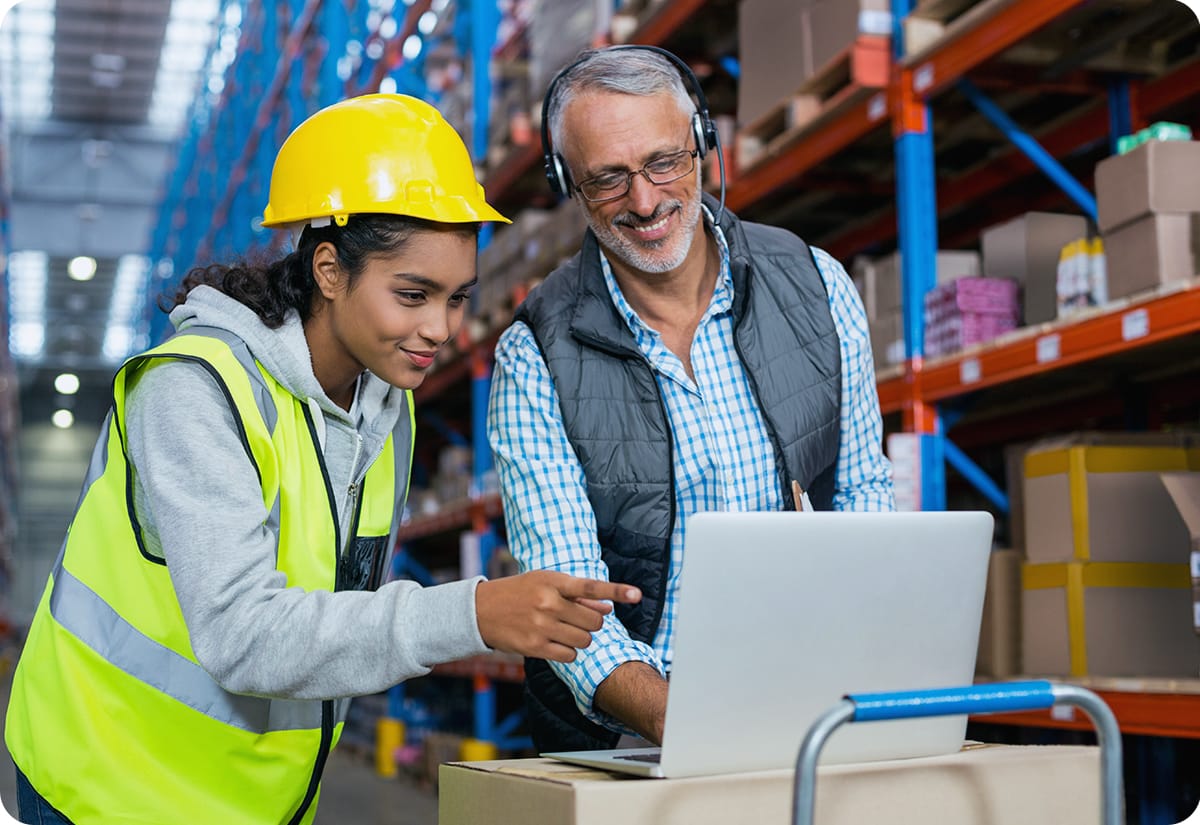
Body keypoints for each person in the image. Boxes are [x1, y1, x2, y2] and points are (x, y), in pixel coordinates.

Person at [4, 93, 640, 825]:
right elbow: (244, 636)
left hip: (254, 799)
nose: (439, 328)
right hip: (104, 784)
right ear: (330, 270)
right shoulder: (194, 388)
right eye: (413, 293)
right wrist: (474, 612)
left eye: (458, 297)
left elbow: (331, 609)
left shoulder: (386, 405)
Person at [486, 46, 895, 754]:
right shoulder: (535, 357)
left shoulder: (817, 287)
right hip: (629, 739)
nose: (643, 201)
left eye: (663, 162)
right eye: (607, 179)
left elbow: (864, 493)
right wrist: (690, 723)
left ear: (704, 144)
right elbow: (567, 607)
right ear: (569, 186)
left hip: (813, 709)